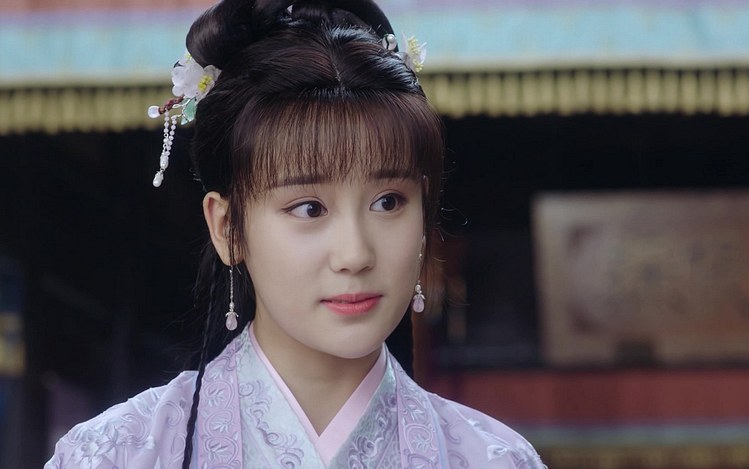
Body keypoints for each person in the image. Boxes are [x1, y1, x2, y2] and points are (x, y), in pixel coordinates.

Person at [45, 0, 545, 467]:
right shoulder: (117, 455)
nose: (355, 254)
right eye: (309, 208)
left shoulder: (493, 459)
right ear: (227, 227)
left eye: (388, 202)